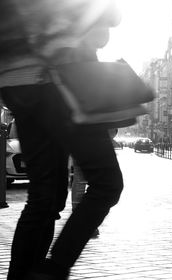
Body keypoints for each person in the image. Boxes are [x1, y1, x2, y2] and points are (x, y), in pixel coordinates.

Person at [0, 1, 123, 279]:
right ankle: (54, 270)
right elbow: (106, 18)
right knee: (107, 183)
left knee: (45, 198)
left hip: (16, 81)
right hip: (61, 77)